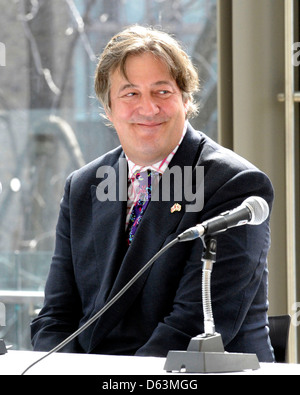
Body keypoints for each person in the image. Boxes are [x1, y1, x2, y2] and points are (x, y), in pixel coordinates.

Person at [31, 25, 275, 362]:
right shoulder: (83, 186)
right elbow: (56, 316)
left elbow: (191, 325)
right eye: (130, 94)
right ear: (109, 108)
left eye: (162, 91)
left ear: (186, 99)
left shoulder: (233, 184)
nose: (148, 108)